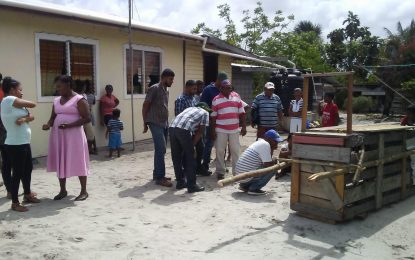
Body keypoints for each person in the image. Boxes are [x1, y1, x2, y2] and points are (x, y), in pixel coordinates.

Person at [43, 75, 91, 201]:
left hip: (74, 136)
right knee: (60, 160)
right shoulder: (56, 100)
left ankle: (84, 191)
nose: (57, 89)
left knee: (78, 160)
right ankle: (63, 190)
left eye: (60, 86)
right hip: (58, 136)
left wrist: (70, 125)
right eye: (56, 86)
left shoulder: (79, 99)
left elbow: (87, 118)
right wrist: (48, 124)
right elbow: (53, 117)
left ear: (68, 85)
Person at [1, 77, 40, 212]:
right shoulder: (8, 100)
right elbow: (33, 105)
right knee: (17, 172)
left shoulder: (16, 104)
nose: (22, 93)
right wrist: (27, 115)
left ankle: (27, 194)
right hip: (15, 143)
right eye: (20, 90)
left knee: (27, 168)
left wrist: (25, 119)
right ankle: (15, 202)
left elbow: (32, 116)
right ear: (12, 90)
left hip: (23, 141)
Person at [142, 68, 175, 187]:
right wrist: (145, 122)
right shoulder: (154, 88)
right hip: (155, 122)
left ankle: (157, 174)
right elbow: (146, 105)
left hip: (164, 123)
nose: (172, 81)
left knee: (162, 149)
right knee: (161, 149)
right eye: (171, 79)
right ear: (165, 77)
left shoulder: (166, 90)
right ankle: (160, 178)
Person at [169, 102, 212, 193]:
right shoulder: (205, 113)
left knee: (176, 157)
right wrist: (192, 146)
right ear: (205, 109)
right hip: (183, 129)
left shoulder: (189, 109)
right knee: (190, 157)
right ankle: (192, 185)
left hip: (172, 127)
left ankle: (180, 182)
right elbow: (200, 132)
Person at [211, 79, 247, 180]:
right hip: (220, 129)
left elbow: (242, 113)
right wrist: (213, 130)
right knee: (220, 150)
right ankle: (220, 171)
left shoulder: (236, 97)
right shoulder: (216, 99)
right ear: (221, 88)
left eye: (229, 88)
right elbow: (213, 116)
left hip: (234, 129)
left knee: (235, 151)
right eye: (226, 88)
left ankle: (236, 172)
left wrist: (244, 127)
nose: (228, 90)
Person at [235, 129, 283, 196]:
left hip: (240, 177)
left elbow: (267, 160)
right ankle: (254, 189)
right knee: (273, 169)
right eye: (275, 141)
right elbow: (268, 165)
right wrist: (274, 162)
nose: (276, 143)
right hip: (245, 176)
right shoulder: (265, 144)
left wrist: (272, 150)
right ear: (268, 139)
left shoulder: (260, 142)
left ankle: (244, 186)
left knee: (267, 164)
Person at [200, 72, 228, 173]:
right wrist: (212, 113)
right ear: (218, 80)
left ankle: (221, 166)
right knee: (209, 143)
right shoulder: (208, 90)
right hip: (210, 121)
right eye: (222, 82)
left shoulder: (224, 90)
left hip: (222, 122)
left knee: (222, 144)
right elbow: (202, 105)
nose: (223, 85)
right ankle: (205, 166)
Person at [74, 80, 97, 155]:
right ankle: (81, 150)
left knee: (90, 135)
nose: (85, 88)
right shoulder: (74, 95)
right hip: (79, 118)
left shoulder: (84, 95)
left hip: (87, 118)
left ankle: (88, 149)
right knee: (80, 135)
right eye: (84, 86)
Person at [85, 80, 98, 154]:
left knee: (89, 133)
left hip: (87, 116)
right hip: (89, 115)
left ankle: (92, 148)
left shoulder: (83, 96)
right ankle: (92, 148)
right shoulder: (91, 96)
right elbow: (93, 103)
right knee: (90, 133)